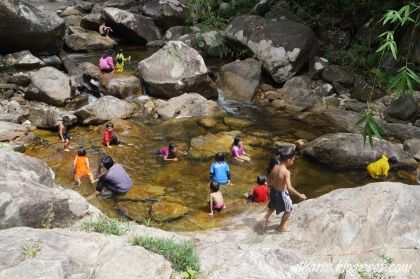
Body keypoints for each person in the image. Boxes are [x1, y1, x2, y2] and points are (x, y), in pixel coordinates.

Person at [259, 148, 307, 233]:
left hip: (273, 190)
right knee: (289, 209)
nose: (293, 161)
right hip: (282, 194)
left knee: (273, 205)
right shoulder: (286, 172)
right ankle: (281, 227)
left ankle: (265, 218)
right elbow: (289, 187)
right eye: (293, 160)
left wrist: (270, 186)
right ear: (288, 160)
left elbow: (269, 179)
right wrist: (300, 195)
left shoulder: (275, 166)